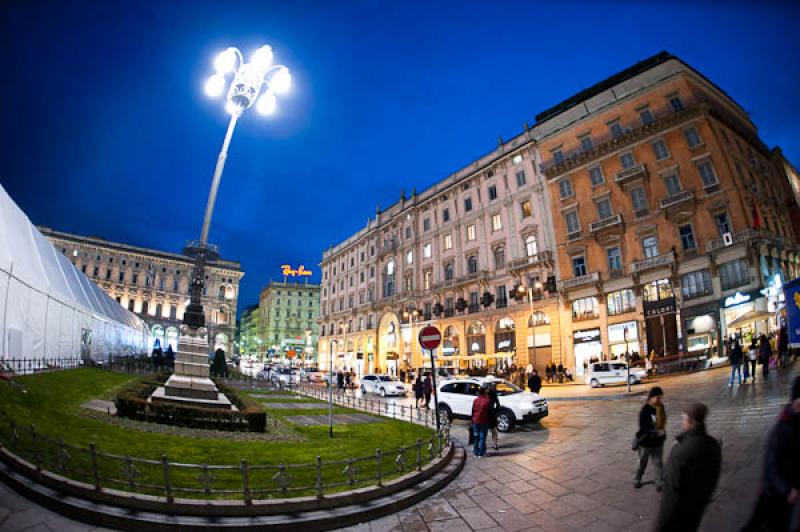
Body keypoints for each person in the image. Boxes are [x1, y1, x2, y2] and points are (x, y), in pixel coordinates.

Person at [740, 377, 800, 532]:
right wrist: (788, 490)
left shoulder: (793, 423)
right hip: (774, 492)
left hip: (784, 491)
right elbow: (771, 463)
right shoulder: (784, 427)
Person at [654, 403, 721, 532]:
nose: (682, 423)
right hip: (697, 508)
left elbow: (671, 495)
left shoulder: (680, 452)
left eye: (683, 419)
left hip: (679, 516)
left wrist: (659, 527)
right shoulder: (712, 444)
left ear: (690, 421)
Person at [635, 387, 667, 490]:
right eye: (657, 397)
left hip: (658, 442)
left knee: (658, 463)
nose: (659, 400)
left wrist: (662, 431)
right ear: (651, 397)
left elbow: (663, 421)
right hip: (646, 443)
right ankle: (637, 478)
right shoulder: (645, 410)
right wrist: (655, 432)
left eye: (660, 398)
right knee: (642, 463)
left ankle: (659, 482)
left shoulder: (661, 407)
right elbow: (643, 427)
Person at [471, 386, 491, 457]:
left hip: (475, 420)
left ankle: (475, 452)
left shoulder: (475, 400)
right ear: (485, 392)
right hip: (484, 421)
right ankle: (481, 453)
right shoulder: (488, 401)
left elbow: (473, 411)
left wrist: (472, 421)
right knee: (482, 437)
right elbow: (489, 413)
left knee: (476, 436)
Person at [487, 384, 501, 451]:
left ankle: (483, 445)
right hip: (491, 414)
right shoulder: (493, 394)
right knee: (493, 431)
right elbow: (498, 404)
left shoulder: (484, 395)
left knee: (485, 431)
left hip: (485, 415)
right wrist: (495, 411)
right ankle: (495, 444)